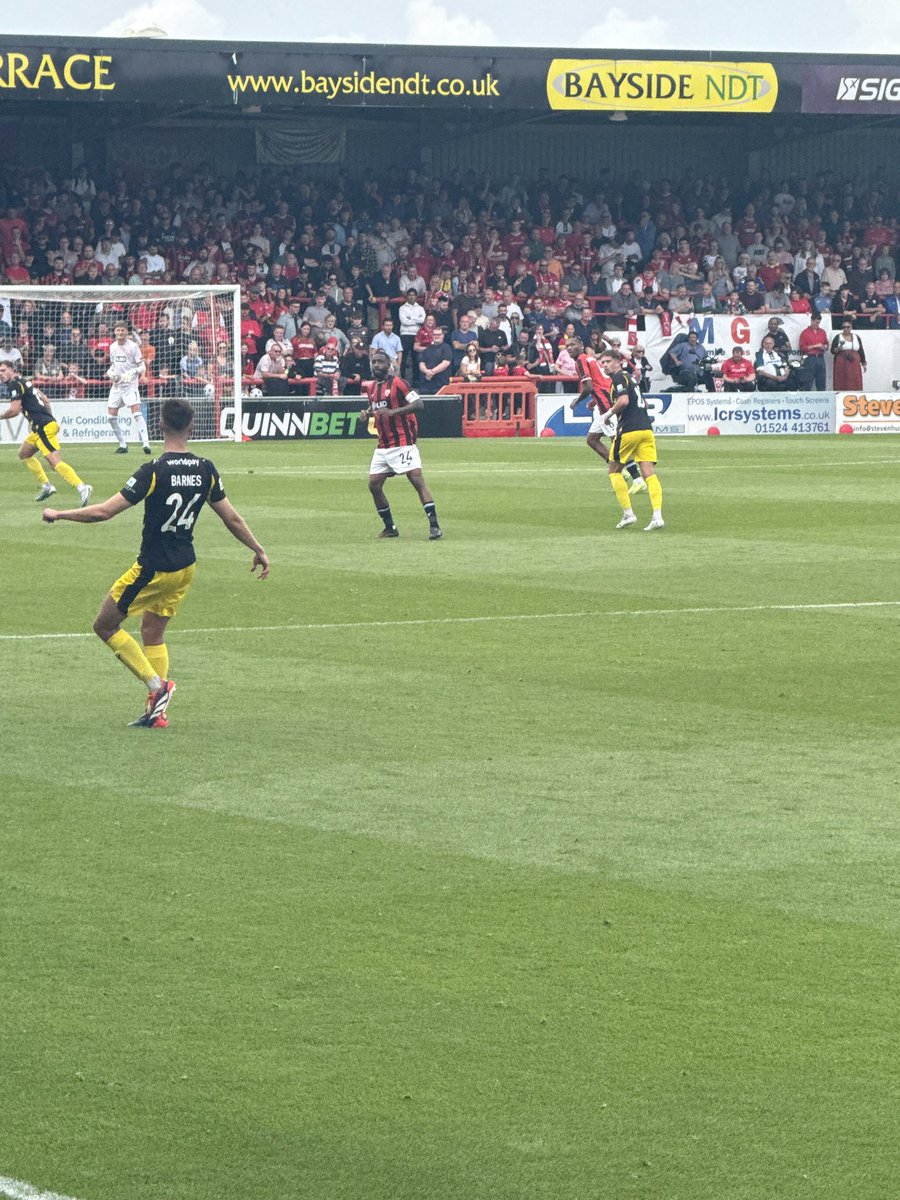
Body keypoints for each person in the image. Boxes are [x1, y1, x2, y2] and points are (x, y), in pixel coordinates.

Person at [41, 397, 269, 729]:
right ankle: (157, 712)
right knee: (152, 632)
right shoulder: (206, 468)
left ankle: (157, 687)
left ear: (160, 425)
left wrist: (60, 513)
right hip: (185, 568)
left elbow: (104, 512)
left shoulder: (154, 470)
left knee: (104, 625)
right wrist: (258, 548)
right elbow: (232, 518)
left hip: (153, 567)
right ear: (191, 428)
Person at [359, 350, 442, 541]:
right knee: (374, 484)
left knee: (416, 480)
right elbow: (377, 408)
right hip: (383, 445)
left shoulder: (399, 383)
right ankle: (390, 527)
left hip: (404, 441)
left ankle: (434, 525)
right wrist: (368, 414)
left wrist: (394, 411)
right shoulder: (371, 388)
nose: (376, 365)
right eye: (374, 362)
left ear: (389, 365)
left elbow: (419, 404)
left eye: (380, 362)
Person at [0, 362, 93, 507]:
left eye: (3, 370)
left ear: (12, 370)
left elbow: (14, 410)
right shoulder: (26, 382)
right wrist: (49, 418)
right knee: (24, 453)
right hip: (41, 427)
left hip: (43, 427)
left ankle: (82, 487)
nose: (1, 374)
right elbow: (45, 399)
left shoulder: (14, 384)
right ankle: (47, 486)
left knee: (55, 463)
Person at [599, 348, 664, 532]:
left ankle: (628, 514)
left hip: (629, 430)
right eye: (602, 363)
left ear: (618, 362)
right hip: (646, 430)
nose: (604, 366)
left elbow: (624, 401)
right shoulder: (631, 378)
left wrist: (608, 414)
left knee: (614, 470)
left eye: (608, 362)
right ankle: (657, 516)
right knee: (648, 472)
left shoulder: (619, 377)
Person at [568, 340, 644, 492]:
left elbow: (589, 386)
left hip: (605, 404)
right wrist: (593, 401)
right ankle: (618, 467)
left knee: (616, 440)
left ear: (581, 346)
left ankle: (637, 478)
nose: (569, 348)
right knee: (592, 439)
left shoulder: (581, 361)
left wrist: (578, 400)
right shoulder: (589, 359)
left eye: (572, 345)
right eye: (567, 346)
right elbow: (599, 381)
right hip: (601, 399)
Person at [107, 320, 151, 454]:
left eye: (122, 330)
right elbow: (113, 365)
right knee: (111, 416)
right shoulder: (112, 347)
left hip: (130, 386)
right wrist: (110, 373)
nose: (120, 333)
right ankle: (122, 444)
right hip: (116, 386)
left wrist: (132, 372)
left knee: (137, 413)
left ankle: (146, 444)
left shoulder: (133, 347)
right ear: (115, 332)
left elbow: (142, 366)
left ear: (127, 332)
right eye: (118, 330)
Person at [831, 320, 866, 390]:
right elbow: (832, 350)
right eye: (844, 327)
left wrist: (863, 362)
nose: (846, 329)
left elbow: (861, 350)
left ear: (851, 327)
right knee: (841, 380)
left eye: (847, 327)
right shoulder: (838, 337)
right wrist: (838, 349)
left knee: (855, 380)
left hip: (854, 363)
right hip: (842, 364)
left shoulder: (856, 337)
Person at [797, 312, 829, 390]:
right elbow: (802, 348)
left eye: (819, 323)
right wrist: (815, 346)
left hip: (820, 358)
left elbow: (827, 344)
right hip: (810, 358)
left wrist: (825, 346)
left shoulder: (822, 332)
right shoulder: (805, 333)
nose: (817, 324)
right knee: (808, 381)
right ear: (811, 320)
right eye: (816, 322)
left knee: (821, 381)